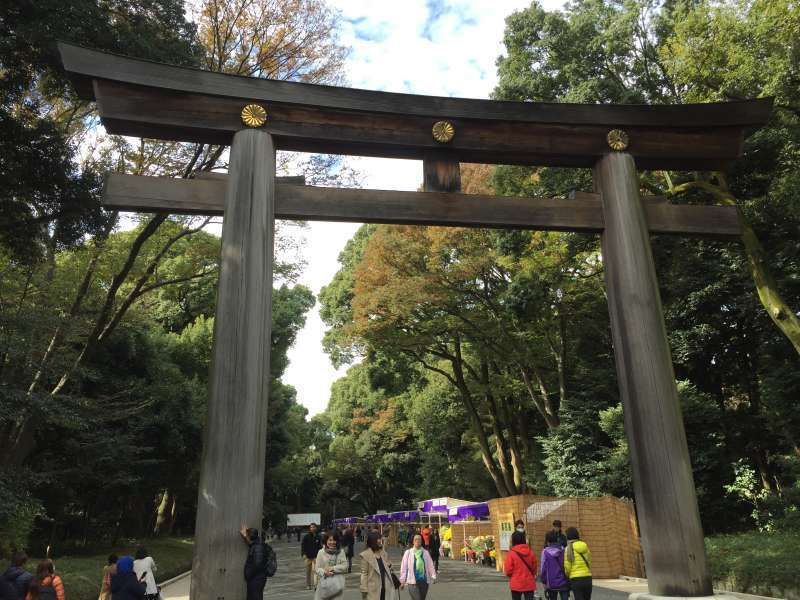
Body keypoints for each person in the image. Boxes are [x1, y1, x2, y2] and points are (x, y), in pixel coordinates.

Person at [359, 531, 398, 600]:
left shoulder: (383, 553)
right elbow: (364, 573)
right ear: (373, 541)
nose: (380, 540)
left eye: (380, 538)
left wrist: (390, 565)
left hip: (386, 587)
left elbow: (390, 566)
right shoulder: (365, 555)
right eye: (378, 539)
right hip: (373, 589)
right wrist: (364, 588)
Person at [240, 526, 275, 600]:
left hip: (256, 579)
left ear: (250, 538)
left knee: (255, 597)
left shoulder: (257, 547)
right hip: (258, 578)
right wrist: (245, 536)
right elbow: (252, 545)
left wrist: (248, 574)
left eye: (248, 536)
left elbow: (257, 564)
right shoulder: (257, 545)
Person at [399, 535, 436, 600]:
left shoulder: (425, 552)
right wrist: (402, 580)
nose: (417, 541)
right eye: (416, 539)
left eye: (419, 539)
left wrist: (433, 576)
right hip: (412, 582)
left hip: (424, 582)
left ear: (421, 541)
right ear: (413, 541)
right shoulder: (408, 553)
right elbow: (403, 567)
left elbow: (430, 565)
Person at [503, 531, 537, 600]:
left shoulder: (511, 553)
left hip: (516, 583)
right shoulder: (531, 552)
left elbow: (508, 570)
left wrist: (513, 576)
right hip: (529, 583)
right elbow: (534, 568)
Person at [314, 531, 348, 600]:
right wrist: (324, 572)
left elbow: (345, 566)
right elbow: (317, 568)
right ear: (326, 541)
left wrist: (332, 568)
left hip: (338, 585)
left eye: (334, 540)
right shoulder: (321, 552)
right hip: (324, 584)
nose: (332, 542)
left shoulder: (341, 552)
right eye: (330, 540)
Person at [539, 532, 570, 600]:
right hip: (563, 581)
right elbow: (567, 565)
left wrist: (544, 581)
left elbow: (543, 568)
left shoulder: (545, 552)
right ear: (557, 540)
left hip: (551, 582)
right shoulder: (563, 550)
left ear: (548, 542)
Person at [564, 528, 592, 600]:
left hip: (576, 579)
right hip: (587, 578)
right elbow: (589, 561)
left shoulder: (568, 548)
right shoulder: (585, 545)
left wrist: (567, 575)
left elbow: (567, 567)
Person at [302, 523, 323, 590]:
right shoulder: (306, 537)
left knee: (315, 571)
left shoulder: (318, 537)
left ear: (316, 528)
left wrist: (320, 555)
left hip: (315, 557)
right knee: (308, 572)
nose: (312, 528)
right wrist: (303, 554)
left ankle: (316, 585)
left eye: (314, 527)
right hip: (308, 557)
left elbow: (320, 547)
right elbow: (303, 546)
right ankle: (308, 585)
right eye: (311, 527)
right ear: (309, 528)